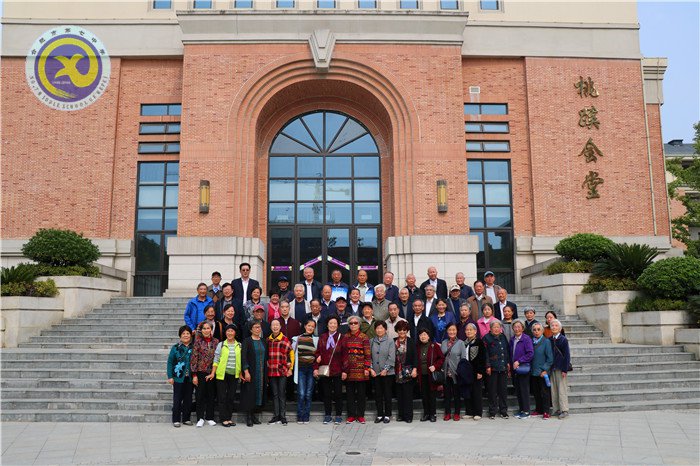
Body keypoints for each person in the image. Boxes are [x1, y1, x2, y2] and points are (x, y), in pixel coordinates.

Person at [210, 324, 242, 427]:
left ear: (235, 333)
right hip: (222, 374)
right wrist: (213, 372)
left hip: (234, 375)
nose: (230, 333)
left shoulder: (239, 345)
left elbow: (241, 361)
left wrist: (241, 373)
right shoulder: (221, 344)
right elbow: (216, 359)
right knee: (222, 397)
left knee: (231, 397)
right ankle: (223, 419)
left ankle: (229, 418)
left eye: (232, 331)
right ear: (225, 332)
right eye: (228, 331)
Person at [341, 316, 371, 424]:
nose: (353, 325)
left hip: (361, 370)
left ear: (359, 324)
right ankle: (351, 415)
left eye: (355, 323)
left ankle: (361, 415)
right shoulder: (345, 337)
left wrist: (367, 367)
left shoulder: (364, 337)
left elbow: (368, 354)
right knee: (350, 394)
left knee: (361, 395)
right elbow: (343, 354)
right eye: (351, 323)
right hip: (349, 371)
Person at [314, 316, 344, 425]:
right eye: (330, 323)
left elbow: (345, 355)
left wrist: (344, 370)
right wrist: (316, 366)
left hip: (337, 369)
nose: (332, 325)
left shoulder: (341, 337)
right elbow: (317, 352)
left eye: (334, 323)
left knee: (338, 394)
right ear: (327, 325)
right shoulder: (322, 337)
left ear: (338, 325)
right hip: (325, 370)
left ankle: (339, 415)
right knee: (326, 394)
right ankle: (328, 415)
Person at [191, 321, 218, 427]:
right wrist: (194, 375)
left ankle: (210, 417)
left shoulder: (216, 342)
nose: (206, 330)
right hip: (200, 372)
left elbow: (218, 357)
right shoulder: (197, 342)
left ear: (211, 330)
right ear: (201, 331)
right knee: (200, 395)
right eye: (204, 328)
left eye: (208, 328)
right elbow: (194, 358)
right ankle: (200, 417)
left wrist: (214, 372)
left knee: (211, 395)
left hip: (212, 372)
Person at [267, 319, 294, 425]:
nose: (275, 327)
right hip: (272, 371)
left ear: (280, 327)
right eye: (273, 325)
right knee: (275, 394)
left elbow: (291, 354)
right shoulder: (268, 340)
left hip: (282, 371)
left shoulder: (285, 339)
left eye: (277, 325)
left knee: (282, 393)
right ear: (270, 327)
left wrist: (290, 368)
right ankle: (276, 415)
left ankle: (282, 416)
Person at [240, 320, 267, 427]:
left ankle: (254, 414)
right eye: (255, 327)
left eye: (259, 327)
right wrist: (246, 371)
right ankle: (249, 416)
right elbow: (244, 357)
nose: (258, 329)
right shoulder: (247, 341)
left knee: (258, 392)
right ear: (251, 329)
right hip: (251, 371)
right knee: (249, 393)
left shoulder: (263, 341)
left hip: (261, 371)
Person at [167, 325, 193, 427]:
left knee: (188, 399)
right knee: (177, 398)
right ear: (180, 336)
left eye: (188, 333)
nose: (186, 335)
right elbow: (170, 362)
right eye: (183, 334)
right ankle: (176, 419)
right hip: (178, 377)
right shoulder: (175, 348)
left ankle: (186, 418)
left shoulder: (194, 347)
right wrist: (170, 376)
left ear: (191, 335)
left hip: (189, 378)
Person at [416, 327, 444, 422]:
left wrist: (435, 366)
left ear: (428, 336)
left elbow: (441, 358)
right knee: (424, 395)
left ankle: (433, 414)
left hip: (430, 375)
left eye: (425, 334)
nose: (423, 336)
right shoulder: (417, 346)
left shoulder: (434, 346)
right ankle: (426, 413)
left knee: (432, 395)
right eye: (421, 335)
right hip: (421, 375)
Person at [483, 320, 510, 419]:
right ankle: (492, 411)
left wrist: (507, 362)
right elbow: (485, 353)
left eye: (498, 327)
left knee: (503, 391)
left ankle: (503, 411)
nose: (496, 329)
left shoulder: (503, 336)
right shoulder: (486, 338)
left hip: (503, 367)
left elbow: (506, 350)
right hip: (492, 368)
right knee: (492, 391)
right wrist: (488, 365)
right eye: (494, 327)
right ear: (490, 328)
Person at [370, 320, 395, 423]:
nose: (379, 330)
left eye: (381, 328)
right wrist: (371, 369)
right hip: (375, 373)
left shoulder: (390, 341)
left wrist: (386, 369)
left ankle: (388, 414)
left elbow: (392, 356)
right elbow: (369, 356)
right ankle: (380, 414)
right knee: (378, 394)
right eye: (377, 328)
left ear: (385, 329)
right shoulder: (371, 341)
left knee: (387, 394)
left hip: (387, 373)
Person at [293, 319, 318, 424]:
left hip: (311, 369)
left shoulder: (316, 339)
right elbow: (292, 353)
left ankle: (306, 416)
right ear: (305, 326)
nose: (310, 328)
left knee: (308, 393)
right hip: (301, 369)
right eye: (309, 325)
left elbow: (318, 354)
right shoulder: (297, 339)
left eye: (312, 326)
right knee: (301, 393)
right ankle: (300, 416)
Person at [441, 323, 466, 421]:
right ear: (447, 331)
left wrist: (461, 371)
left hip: (456, 373)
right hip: (446, 372)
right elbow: (441, 356)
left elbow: (463, 358)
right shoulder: (443, 342)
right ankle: (447, 413)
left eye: (454, 330)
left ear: (457, 331)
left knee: (456, 395)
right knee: (447, 395)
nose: (452, 332)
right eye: (450, 330)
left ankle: (456, 413)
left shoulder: (461, 343)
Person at [393, 320, 417, 423]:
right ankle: (401, 415)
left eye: (404, 330)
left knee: (408, 395)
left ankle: (408, 416)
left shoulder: (411, 341)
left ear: (407, 331)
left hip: (408, 370)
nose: (402, 332)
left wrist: (415, 369)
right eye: (400, 330)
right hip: (397, 371)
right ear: (397, 331)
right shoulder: (393, 341)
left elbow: (415, 357)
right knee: (399, 395)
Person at [510, 320, 534, 419]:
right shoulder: (512, 339)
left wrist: (519, 361)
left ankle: (527, 411)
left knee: (524, 390)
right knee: (518, 390)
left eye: (519, 327)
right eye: (515, 327)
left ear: (522, 328)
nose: (517, 329)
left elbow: (530, 353)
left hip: (523, 368)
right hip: (515, 369)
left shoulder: (526, 339)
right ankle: (521, 410)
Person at [530, 322, 554, 420]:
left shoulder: (546, 341)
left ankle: (546, 411)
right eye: (534, 330)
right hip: (533, 371)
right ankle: (538, 409)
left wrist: (545, 370)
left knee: (545, 393)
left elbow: (550, 359)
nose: (536, 331)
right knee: (536, 392)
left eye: (538, 329)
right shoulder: (531, 341)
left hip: (543, 372)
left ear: (542, 330)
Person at [464, 323, 485, 420]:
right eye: (467, 330)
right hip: (466, 372)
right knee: (468, 392)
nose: (468, 331)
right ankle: (469, 412)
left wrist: (480, 371)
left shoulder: (479, 342)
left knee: (477, 392)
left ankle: (478, 412)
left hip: (476, 371)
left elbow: (482, 357)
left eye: (470, 330)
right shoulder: (464, 343)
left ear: (475, 331)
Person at [550, 319, 571, 419]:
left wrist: (565, 369)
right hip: (552, 368)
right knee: (554, 389)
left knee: (561, 389)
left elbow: (567, 355)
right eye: (552, 326)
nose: (554, 327)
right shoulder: (550, 339)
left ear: (560, 328)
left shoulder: (563, 339)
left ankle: (564, 410)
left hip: (560, 367)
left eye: (556, 326)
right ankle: (556, 409)